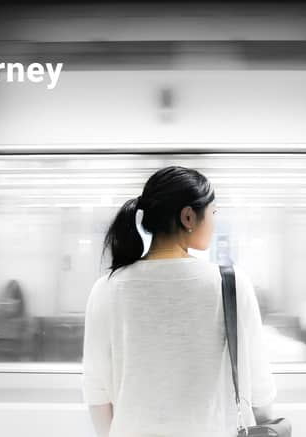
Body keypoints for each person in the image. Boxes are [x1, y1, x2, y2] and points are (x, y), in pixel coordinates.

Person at [82, 166, 277, 437]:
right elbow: (259, 390)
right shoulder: (230, 284)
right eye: (213, 213)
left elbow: (97, 391)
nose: (214, 221)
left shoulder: (106, 288)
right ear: (188, 216)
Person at [0, 279, 35, 362]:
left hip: (14, 365)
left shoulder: (26, 321)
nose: (9, 303)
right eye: (7, 299)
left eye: (13, 299)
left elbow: (27, 352)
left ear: (19, 302)